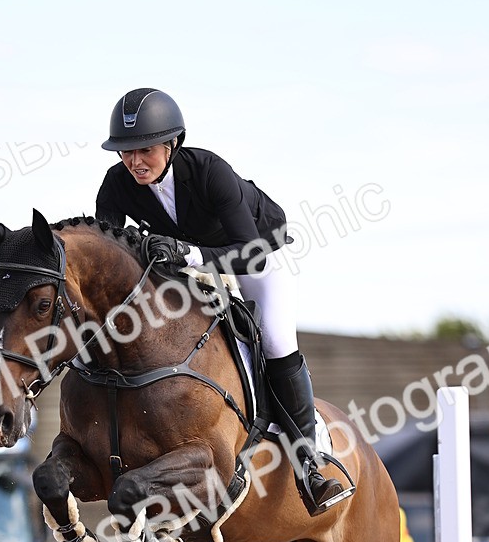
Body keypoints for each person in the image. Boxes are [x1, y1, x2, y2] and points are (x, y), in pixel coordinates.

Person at [95, 87, 350, 516]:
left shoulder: (209, 170)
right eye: (125, 152)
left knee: (273, 340)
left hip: (254, 256)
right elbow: (107, 252)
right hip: (186, 266)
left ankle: (310, 463)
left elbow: (250, 254)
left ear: (172, 143)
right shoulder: (118, 183)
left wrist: (189, 254)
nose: (134, 161)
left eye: (145, 150)